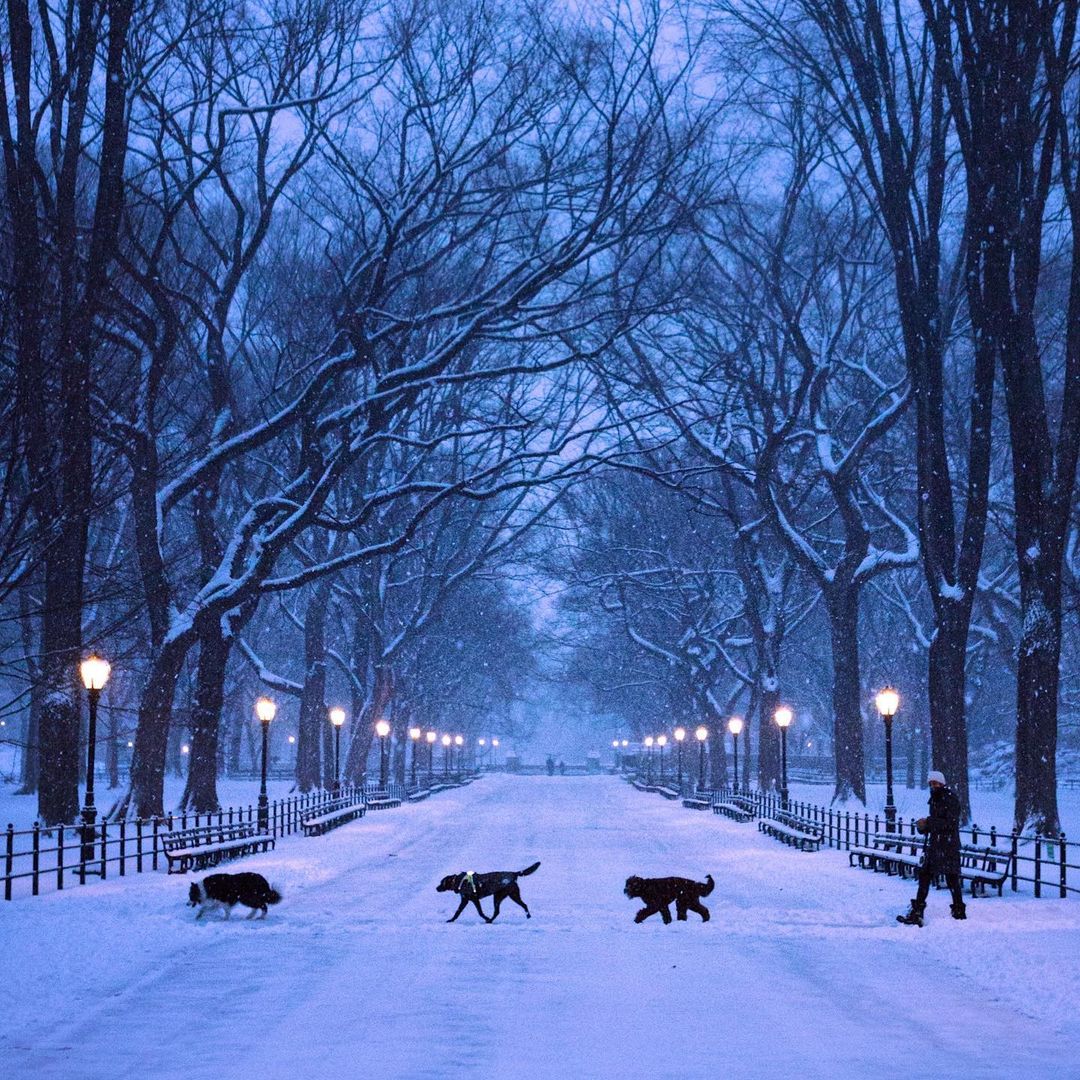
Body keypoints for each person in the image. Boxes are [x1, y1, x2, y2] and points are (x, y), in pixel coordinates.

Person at [897, 770, 967, 926]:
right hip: (937, 845)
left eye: (935, 783)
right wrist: (924, 827)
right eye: (930, 783)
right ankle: (918, 911)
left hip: (947, 846)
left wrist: (928, 822)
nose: (933, 786)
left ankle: (958, 911)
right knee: (926, 876)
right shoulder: (935, 799)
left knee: (951, 878)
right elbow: (939, 823)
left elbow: (950, 823)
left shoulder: (950, 799)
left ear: (942, 783)